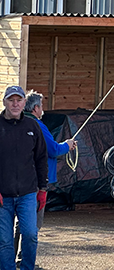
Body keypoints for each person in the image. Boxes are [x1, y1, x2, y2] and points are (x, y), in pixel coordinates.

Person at [14, 91, 77, 261]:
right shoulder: (38, 125)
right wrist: (67, 145)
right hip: (36, 181)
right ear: (35, 108)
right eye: (41, 106)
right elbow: (53, 149)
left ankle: (11, 257)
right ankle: (24, 258)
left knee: (19, 220)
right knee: (33, 222)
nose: (43, 110)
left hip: (18, 179)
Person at [0, 85, 48, 270]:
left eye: (18, 100)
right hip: (3, 196)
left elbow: (41, 157)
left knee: (30, 234)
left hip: (28, 193)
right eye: (11, 100)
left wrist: (43, 188)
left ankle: (27, 267)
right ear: (4, 102)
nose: (15, 104)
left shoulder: (32, 126)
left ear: (24, 103)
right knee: (4, 241)